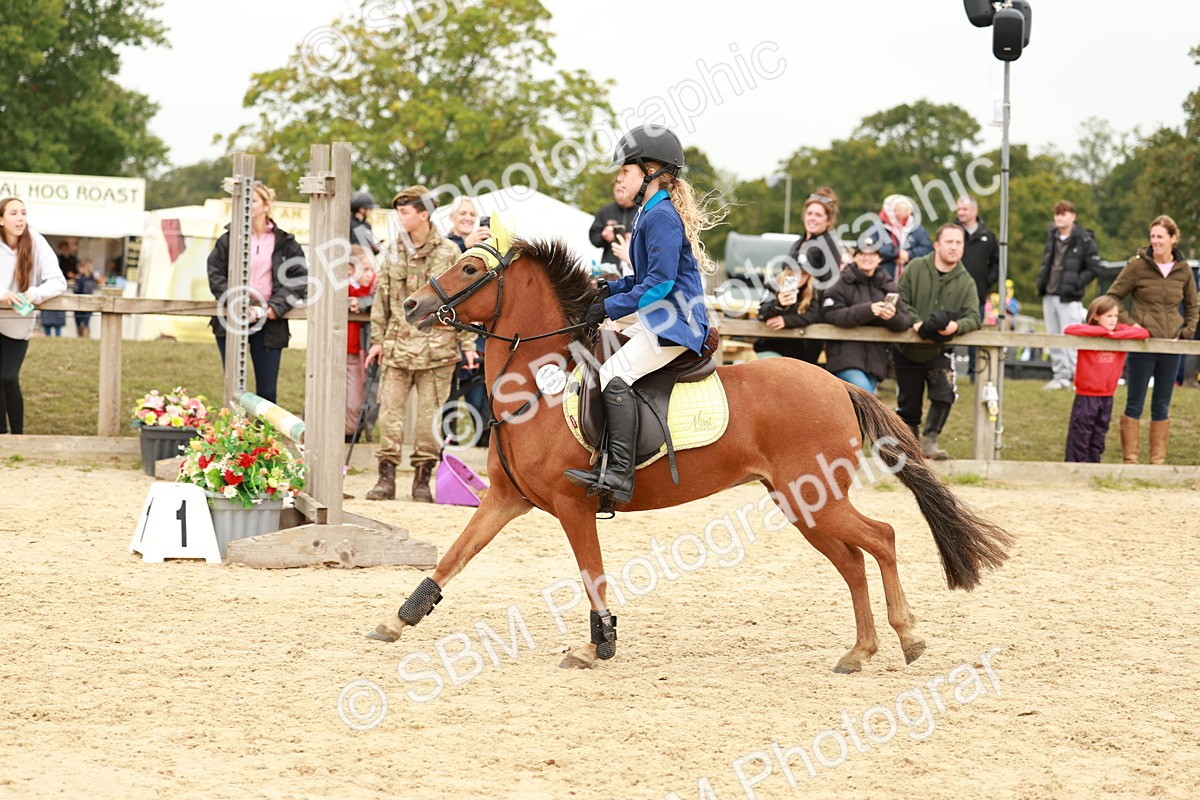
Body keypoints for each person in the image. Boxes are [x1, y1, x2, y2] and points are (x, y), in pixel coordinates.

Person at [565, 124, 723, 504]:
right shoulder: (648, 213)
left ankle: (620, 474)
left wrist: (610, 307)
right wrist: (609, 289)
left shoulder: (661, 216)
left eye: (626, 171)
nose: (620, 178)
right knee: (605, 350)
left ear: (650, 172)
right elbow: (642, 278)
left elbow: (660, 284)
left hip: (676, 324)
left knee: (613, 374)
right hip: (659, 319)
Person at [365, 185, 479, 503]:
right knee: (389, 416)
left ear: (423, 214)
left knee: (429, 419)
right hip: (396, 347)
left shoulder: (449, 253)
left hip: (437, 350)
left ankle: (421, 481)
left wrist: (469, 343)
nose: (399, 218)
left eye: (404, 212)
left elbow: (464, 300)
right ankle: (385, 478)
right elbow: (382, 299)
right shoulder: (393, 251)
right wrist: (376, 341)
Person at [1105, 215, 1199, 464]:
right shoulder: (1136, 266)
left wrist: (1186, 332)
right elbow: (1112, 297)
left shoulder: (1183, 270)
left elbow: (1193, 305)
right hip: (1141, 344)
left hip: (1171, 346)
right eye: (1152, 236)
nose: (1155, 241)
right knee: (1135, 402)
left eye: (1160, 237)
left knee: (1162, 404)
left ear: (1173, 238)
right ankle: (1131, 461)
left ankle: (1157, 462)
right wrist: (1131, 324)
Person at [206, 182, 307, 405]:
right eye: (243, 201)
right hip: (233, 317)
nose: (247, 205)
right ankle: (235, 428)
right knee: (233, 389)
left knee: (267, 392)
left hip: (270, 321)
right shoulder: (228, 239)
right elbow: (215, 275)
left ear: (266, 205)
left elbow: (299, 278)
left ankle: (264, 429)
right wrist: (237, 302)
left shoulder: (286, 242)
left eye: (252, 201)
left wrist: (275, 307)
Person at [894, 223, 981, 460]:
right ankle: (909, 447)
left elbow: (974, 316)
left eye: (959, 242)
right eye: (949, 242)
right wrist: (915, 322)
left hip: (940, 348)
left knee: (944, 394)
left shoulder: (966, 281)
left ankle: (930, 440)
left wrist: (956, 326)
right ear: (936, 245)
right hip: (908, 348)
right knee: (909, 405)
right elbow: (899, 298)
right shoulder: (915, 268)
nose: (954, 247)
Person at [0, 197, 67, 434]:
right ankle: (2, 436)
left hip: (18, 324)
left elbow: (58, 282)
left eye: (23, 213)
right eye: (13, 213)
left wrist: (34, 293)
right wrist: (2, 293)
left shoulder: (36, 241)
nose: (20, 218)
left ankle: (19, 436)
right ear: (1, 220)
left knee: (8, 377)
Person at [754, 187, 842, 364]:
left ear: (828, 220)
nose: (812, 218)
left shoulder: (828, 246)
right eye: (810, 213)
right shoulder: (798, 243)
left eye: (818, 215)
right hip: (783, 320)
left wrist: (793, 316)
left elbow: (829, 288)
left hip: (808, 324)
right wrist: (780, 303)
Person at [1062, 296, 1149, 463]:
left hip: (1107, 394)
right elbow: (1070, 329)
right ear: (1096, 316)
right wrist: (1102, 332)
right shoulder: (1088, 332)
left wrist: (1114, 335)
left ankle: (1094, 464)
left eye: (1115, 316)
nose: (1113, 320)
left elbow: (1143, 333)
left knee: (1099, 433)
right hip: (1086, 394)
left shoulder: (1119, 331)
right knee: (1080, 433)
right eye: (1109, 316)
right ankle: (1075, 466)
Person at [822, 236, 911, 392]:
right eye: (862, 253)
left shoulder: (887, 284)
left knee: (860, 404)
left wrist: (892, 317)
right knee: (866, 395)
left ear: (880, 258)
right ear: (855, 257)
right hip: (844, 358)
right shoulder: (840, 282)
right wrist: (868, 310)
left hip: (875, 361)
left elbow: (905, 321)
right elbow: (830, 314)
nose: (867, 258)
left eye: (872, 254)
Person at [1035, 200, 1101, 390]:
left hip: (1069, 297)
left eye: (1063, 214)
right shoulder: (1052, 236)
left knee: (1071, 338)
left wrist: (1076, 284)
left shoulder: (1084, 239)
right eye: (1057, 214)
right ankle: (1060, 376)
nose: (1059, 218)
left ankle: (1077, 377)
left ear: (1072, 216)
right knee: (1053, 337)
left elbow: (1093, 268)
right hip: (1049, 293)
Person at [955, 195, 999, 380]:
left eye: (964, 209)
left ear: (975, 211)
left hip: (977, 295)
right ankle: (946, 372)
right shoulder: (952, 233)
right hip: (951, 293)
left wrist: (987, 282)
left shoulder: (988, 236)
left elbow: (997, 263)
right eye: (959, 209)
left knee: (975, 332)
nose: (961, 213)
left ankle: (974, 373)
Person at [752, 259, 822, 362]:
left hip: (800, 352)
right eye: (795, 272)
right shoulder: (772, 286)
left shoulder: (812, 291)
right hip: (770, 346)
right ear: (787, 271)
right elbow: (761, 313)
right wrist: (778, 304)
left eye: (804, 274)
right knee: (776, 367)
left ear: (809, 276)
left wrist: (786, 321)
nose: (799, 277)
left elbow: (813, 315)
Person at [346, 245, 377, 441]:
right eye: (365, 269)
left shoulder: (373, 288)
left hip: (358, 353)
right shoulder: (340, 287)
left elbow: (381, 299)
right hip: (336, 352)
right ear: (350, 270)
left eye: (371, 269)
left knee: (355, 400)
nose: (370, 274)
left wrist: (362, 303)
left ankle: (351, 434)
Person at [588, 177, 637, 279]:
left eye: (622, 191)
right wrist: (603, 237)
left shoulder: (641, 211)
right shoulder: (606, 211)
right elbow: (593, 237)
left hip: (633, 268)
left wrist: (635, 239)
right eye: (617, 191)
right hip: (608, 271)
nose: (620, 195)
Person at [874, 194, 932, 281]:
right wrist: (896, 254)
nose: (890, 212)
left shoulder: (918, 230)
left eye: (895, 209)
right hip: (882, 278)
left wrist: (909, 255)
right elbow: (872, 247)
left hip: (912, 278)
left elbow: (927, 249)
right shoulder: (877, 228)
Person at [73, 260, 97, 338]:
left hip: (79, 302)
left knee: (79, 322)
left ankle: (81, 335)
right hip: (89, 302)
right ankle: (86, 336)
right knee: (86, 322)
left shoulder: (80, 279)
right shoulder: (92, 278)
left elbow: (76, 290)